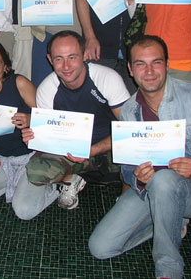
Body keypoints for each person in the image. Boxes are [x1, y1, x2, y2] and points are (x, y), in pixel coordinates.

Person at [88, 35, 191, 279]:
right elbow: (127, 166)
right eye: (140, 64)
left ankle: (168, 268)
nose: (149, 71)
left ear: (167, 65)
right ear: (130, 69)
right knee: (101, 247)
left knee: (164, 180)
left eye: (156, 62)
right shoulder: (129, 111)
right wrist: (137, 177)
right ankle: (170, 220)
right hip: (153, 189)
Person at [21, 30, 130, 210]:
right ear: (50, 59)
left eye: (72, 57)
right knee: (35, 172)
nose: (66, 66)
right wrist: (36, 138)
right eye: (59, 59)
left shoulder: (107, 78)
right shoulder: (47, 90)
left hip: (108, 147)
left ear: (85, 55)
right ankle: (71, 178)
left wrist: (93, 150)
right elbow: (50, 136)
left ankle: (127, 199)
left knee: (136, 154)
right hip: (71, 150)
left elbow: (129, 130)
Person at [0, 40, 58, 220]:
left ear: (5, 67)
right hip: (0, 157)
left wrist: (30, 118)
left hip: (33, 157)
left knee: (24, 211)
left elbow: (50, 120)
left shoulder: (19, 83)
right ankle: (14, 185)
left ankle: (56, 186)